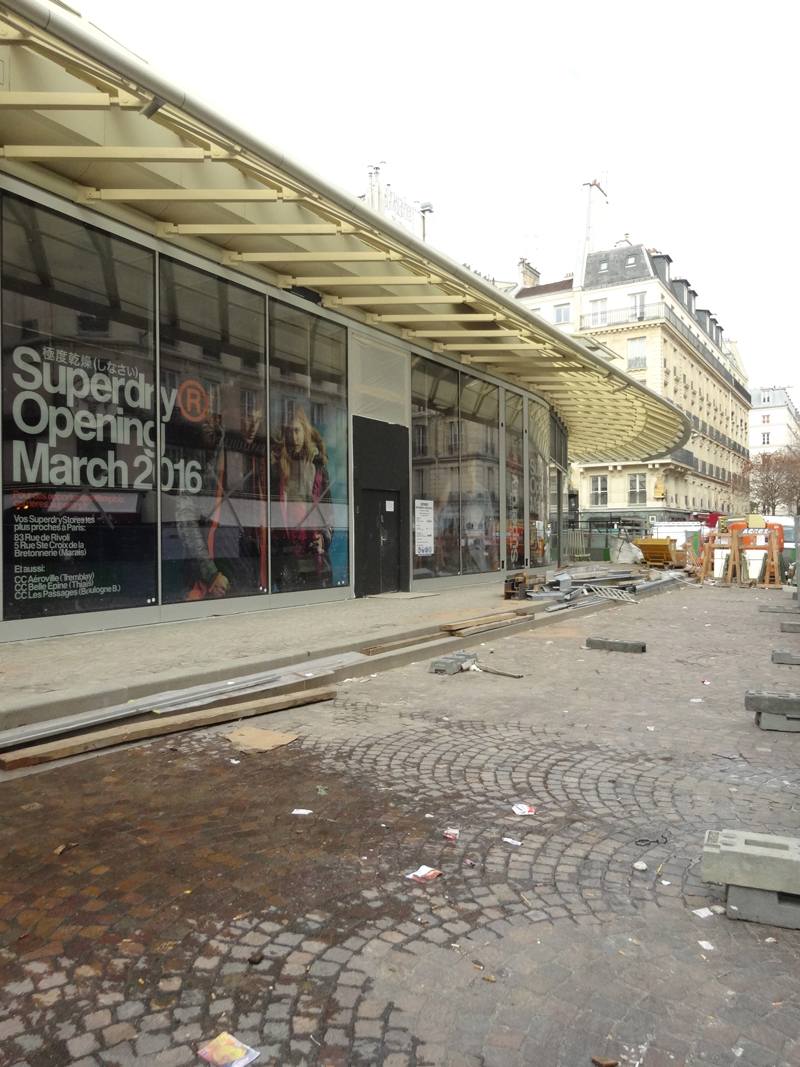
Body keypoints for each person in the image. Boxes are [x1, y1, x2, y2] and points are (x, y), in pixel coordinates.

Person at [270, 403, 334, 591]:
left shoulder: (318, 466)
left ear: (305, 431)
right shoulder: (278, 467)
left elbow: (328, 512)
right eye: (289, 432)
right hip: (288, 556)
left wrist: (324, 538)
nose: (293, 437)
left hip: (315, 556)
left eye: (297, 430)